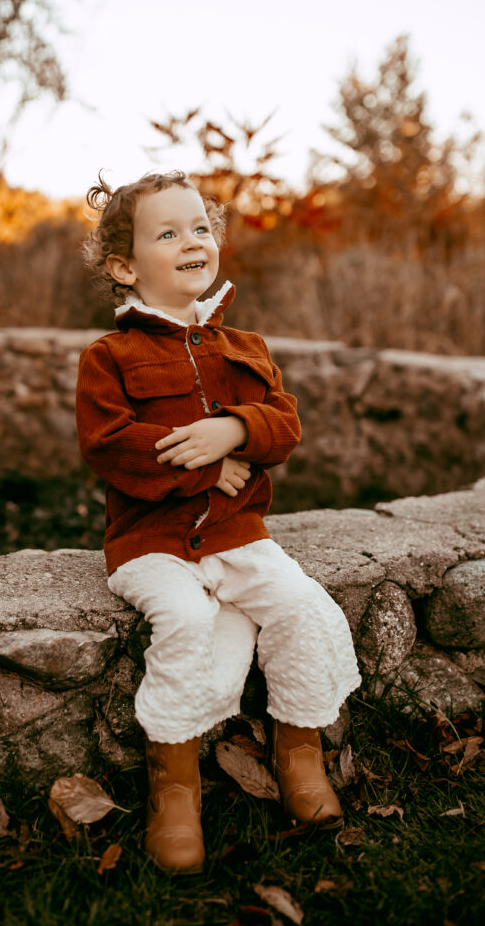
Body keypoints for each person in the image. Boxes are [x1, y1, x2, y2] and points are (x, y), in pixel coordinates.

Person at [75, 170, 361, 874]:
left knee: (303, 609)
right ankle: (174, 789)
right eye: (166, 233)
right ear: (124, 266)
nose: (190, 241)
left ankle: (299, 754)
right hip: (151, 547)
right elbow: (111, 448)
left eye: (199, 227)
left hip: (239, 536)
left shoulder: (246, 347)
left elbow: (285, 426)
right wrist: (203, 465)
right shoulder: (108, 358)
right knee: (187, 623)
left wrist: (233, 430)